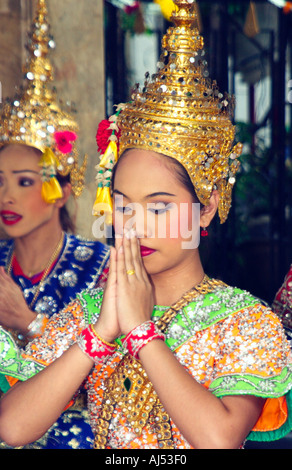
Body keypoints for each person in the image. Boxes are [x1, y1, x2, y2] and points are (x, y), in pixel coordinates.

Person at [0, 0, 292, 449]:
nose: (134, 227)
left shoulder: (244, 321)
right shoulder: (90, 313)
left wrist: (141, 332)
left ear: (207, 207)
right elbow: (13, 427)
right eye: (122, 205)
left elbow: (218, 440)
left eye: (158, 207)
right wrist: (100, 335)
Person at [0, 0, 109, 449]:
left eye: (25, 182)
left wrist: (27, 322)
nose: (7, 195)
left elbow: (111, 378)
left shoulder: (99, 265)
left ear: (62, 190)